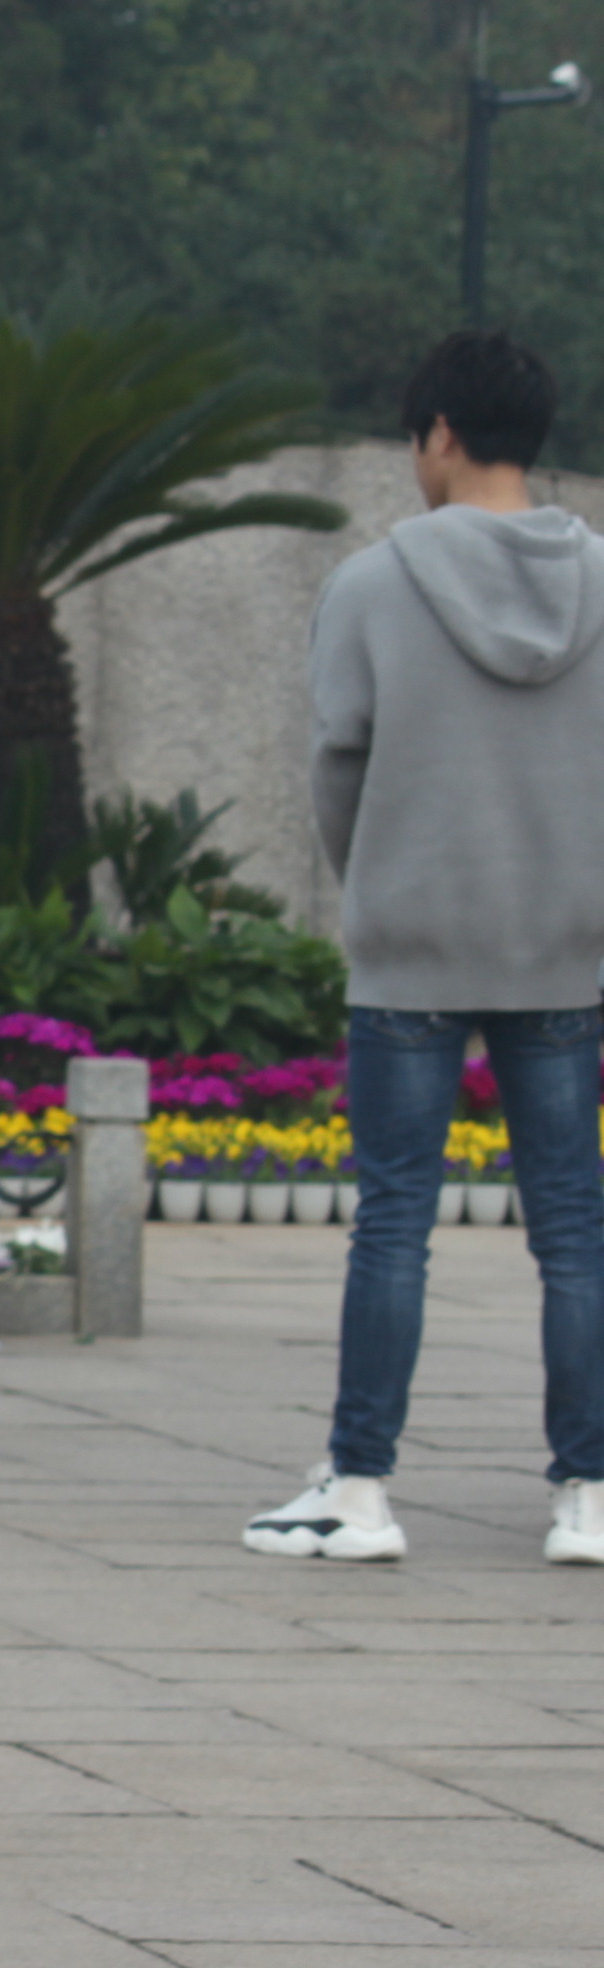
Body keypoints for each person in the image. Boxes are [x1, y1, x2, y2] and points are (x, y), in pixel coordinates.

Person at [245, 329, 604, 1568]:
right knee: (574, 1227)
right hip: (561, 949)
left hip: (409, 944)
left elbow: (339, 764)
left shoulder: (372, 585)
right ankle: (589, 1497)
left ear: (439, 434)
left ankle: (360, 1489)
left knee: (393, 1220)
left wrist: (380, 879)